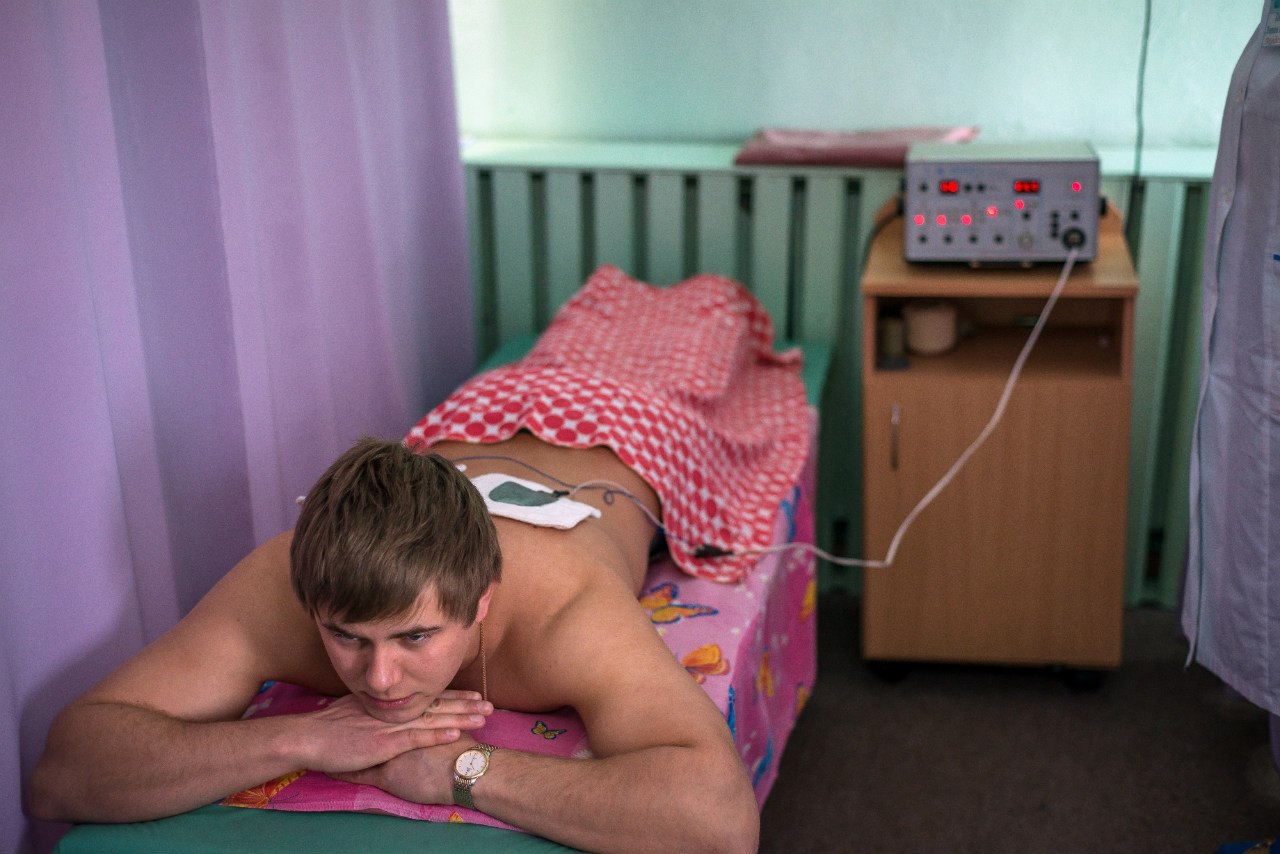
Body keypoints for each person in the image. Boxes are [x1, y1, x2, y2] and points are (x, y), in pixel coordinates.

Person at [27, 431, 761, 854]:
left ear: (482, 600)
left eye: (416, 636)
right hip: (467, 430)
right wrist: (300, 738)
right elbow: (63, 772)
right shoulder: (279, 586)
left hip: (624, 437)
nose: (379, 679)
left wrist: (464, 771)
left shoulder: (569, 614)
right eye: (345, 637)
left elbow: (721, 821)